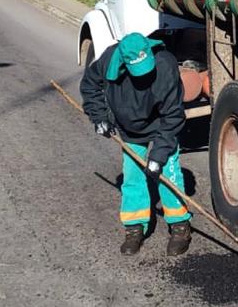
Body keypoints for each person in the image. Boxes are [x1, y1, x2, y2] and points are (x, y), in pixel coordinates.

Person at [80, 31, 192, 257]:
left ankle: (180, 226)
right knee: (132, 177)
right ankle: (134, 227)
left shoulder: (165, 65)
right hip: (129, 127)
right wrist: (99, 117)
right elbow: (90, 85)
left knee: (169, 175)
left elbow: (173, 116)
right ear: (124, 63)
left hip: (161, 125)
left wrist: (158, 156)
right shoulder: (110, 59)